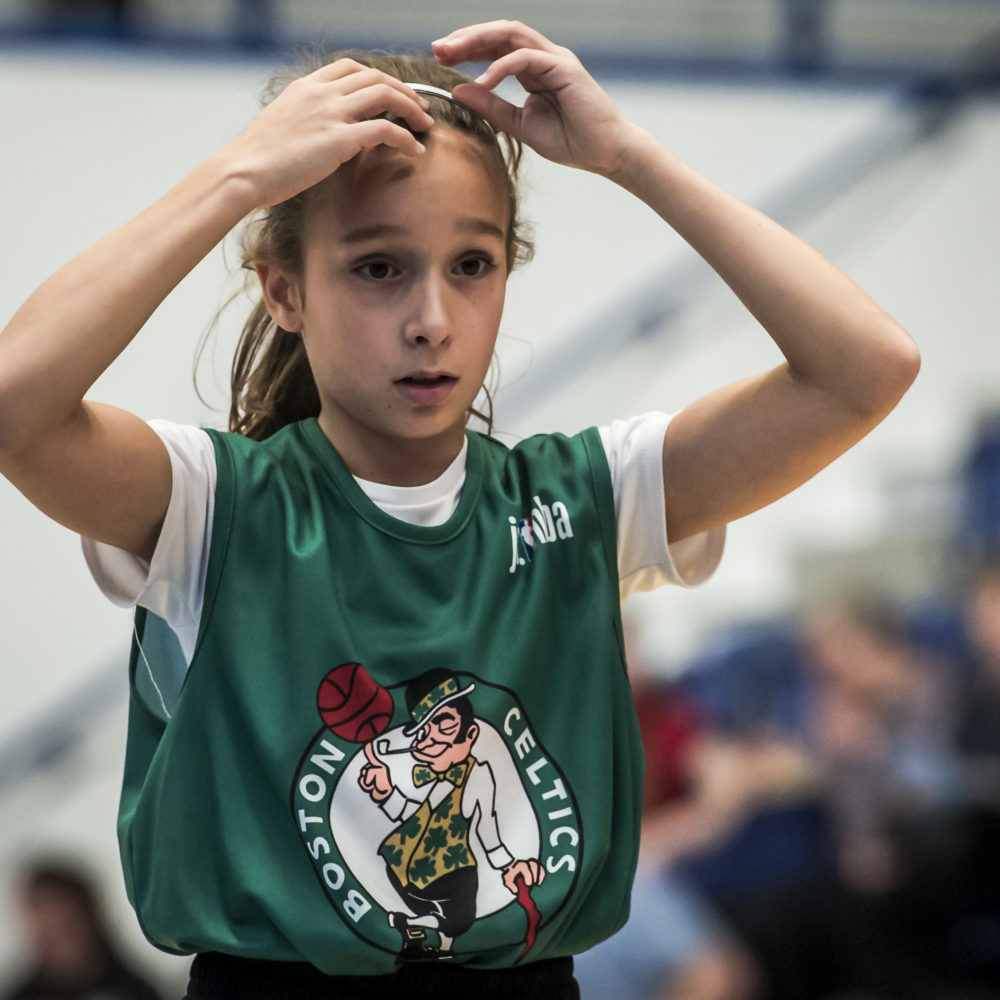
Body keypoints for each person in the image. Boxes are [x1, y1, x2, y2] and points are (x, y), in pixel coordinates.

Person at [0, 19, 919, 1000]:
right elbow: (17, 405)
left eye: (471, 265)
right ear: (283, 291)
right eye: (378, 267)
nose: (431, 319)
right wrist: (237, 177)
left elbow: (867, 367)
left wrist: (631, 158)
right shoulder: (213, 501)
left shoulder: (587, 496)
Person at [2, 858, 163, 1000]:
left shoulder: (134, 992)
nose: (54, 934)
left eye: (64, 925)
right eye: (45, 927)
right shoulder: (20, 995)